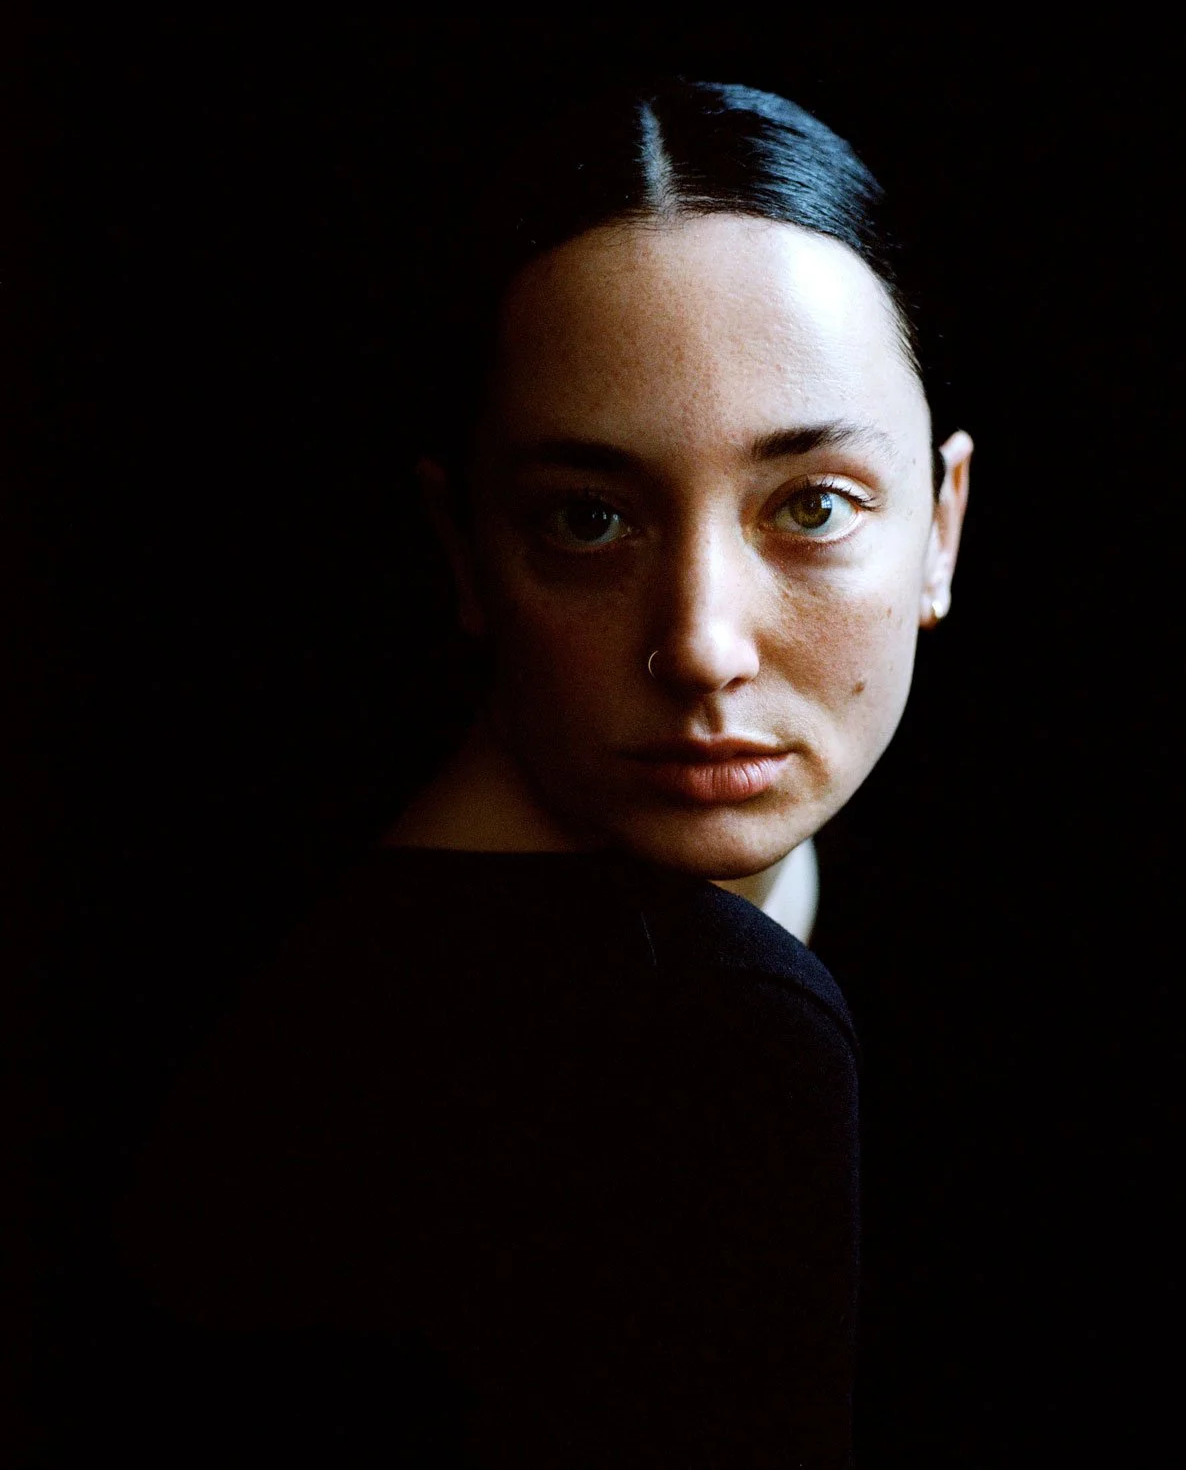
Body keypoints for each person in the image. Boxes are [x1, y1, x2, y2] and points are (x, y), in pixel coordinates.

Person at [114, 78, 972, 1467]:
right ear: (463, 554)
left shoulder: (388, 954)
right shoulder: (699, 1027)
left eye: (809, 506)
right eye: (589, 520)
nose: (701, 645)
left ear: (940, 526)